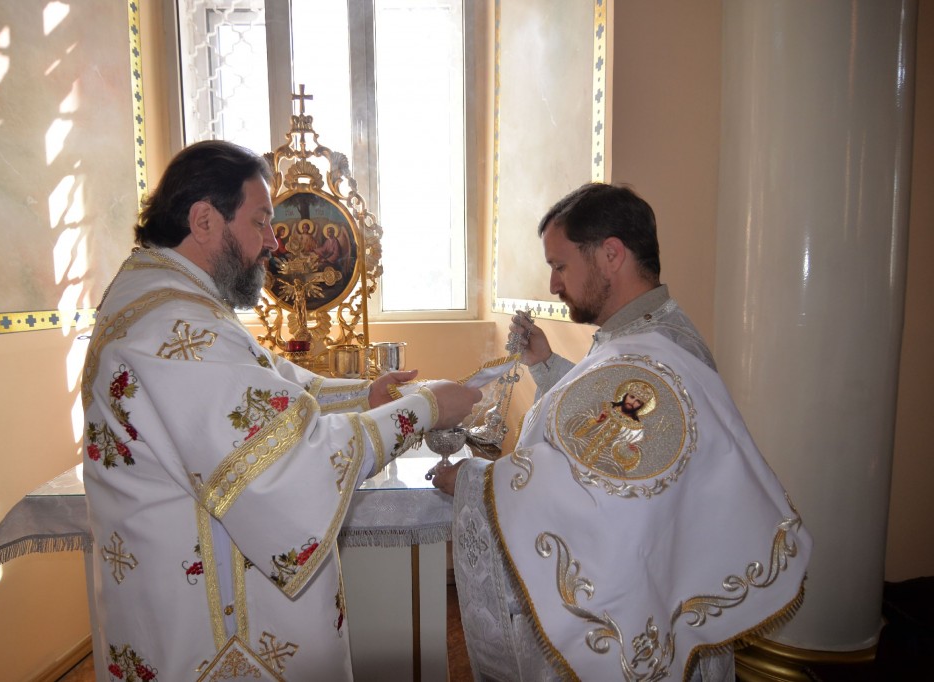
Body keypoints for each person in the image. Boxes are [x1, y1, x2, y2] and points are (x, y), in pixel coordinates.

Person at [81, 140, 481, 681]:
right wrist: (427, 408)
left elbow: (269, 380)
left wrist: (365, 396)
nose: (274, 240)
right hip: (204, 630)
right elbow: (291, 464)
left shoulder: (164, 296)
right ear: (204, 220)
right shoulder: (173, 325)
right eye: (262, 221)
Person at [433, 183, 812, 681]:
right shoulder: (652, 332)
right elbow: (613, 420)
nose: (553, 284)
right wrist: (546, 365)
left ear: (611, 254)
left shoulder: (651, 358)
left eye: (560, 265)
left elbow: (595, 488)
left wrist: (473, 481)